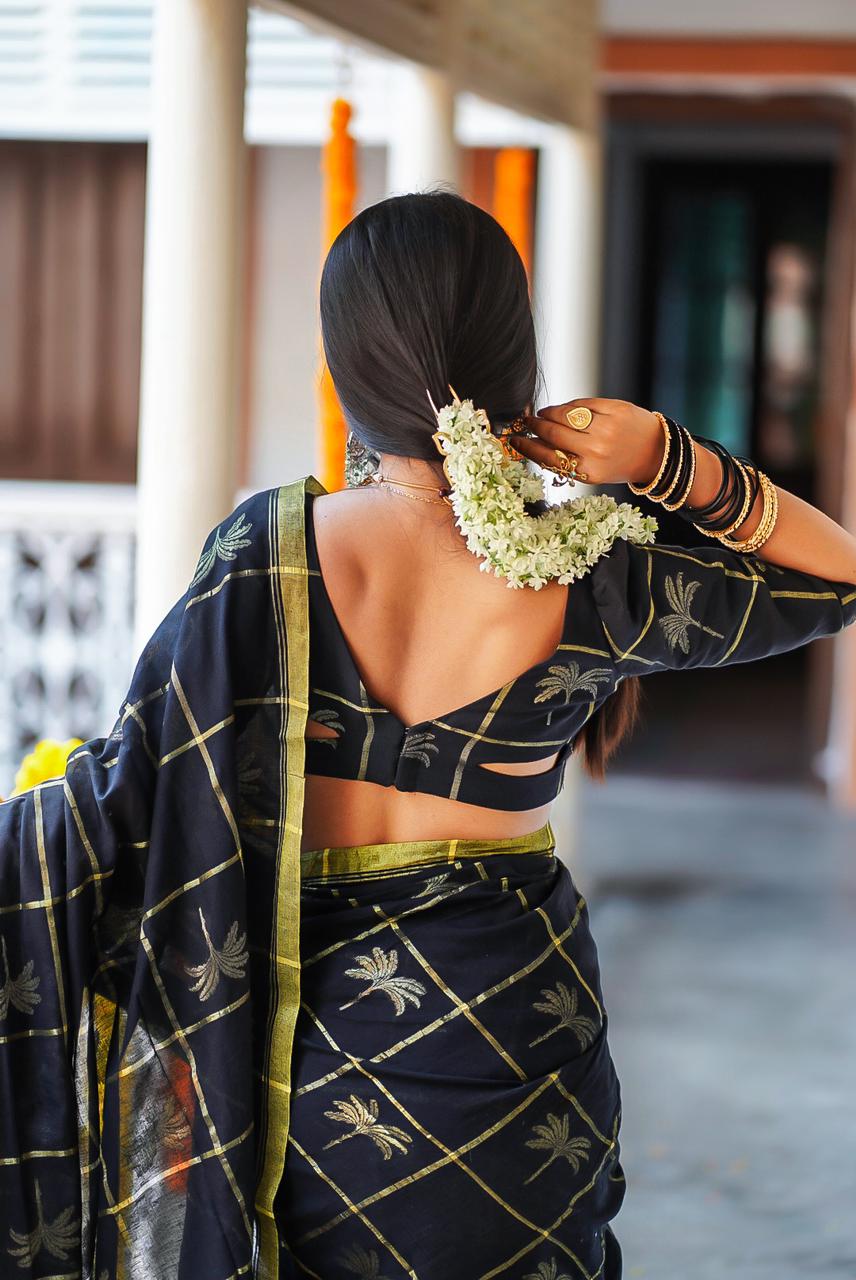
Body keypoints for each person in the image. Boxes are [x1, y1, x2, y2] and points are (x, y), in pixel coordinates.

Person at [1, 192, 854, 1280]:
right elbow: (838, 579)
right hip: (517, 1048)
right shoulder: (588, 567)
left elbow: (133, 787)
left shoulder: (264, 555)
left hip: (309, 1066)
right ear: (518, 362)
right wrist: (668, 460)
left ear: (343, 369)